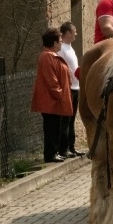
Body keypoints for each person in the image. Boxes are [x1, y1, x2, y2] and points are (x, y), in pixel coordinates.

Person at [31, 28, 73, 163]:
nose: (61, 43)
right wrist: (60, 94)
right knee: (51, 128)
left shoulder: (51, 55)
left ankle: (54, 152)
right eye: (60, 41)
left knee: (55, 127)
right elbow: (51, 80)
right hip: (51, 101)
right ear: (54, 43)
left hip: (55, 100)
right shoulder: (47, 56)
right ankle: (50, 154)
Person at [57, 22, 85, 158]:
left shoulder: (70, 47)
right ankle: (63, 149)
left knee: (72, 118)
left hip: (75, 86)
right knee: (65, 120)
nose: (76, 34)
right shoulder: (61, 48)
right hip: (67, 87)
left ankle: (71, 147)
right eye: (74, 31)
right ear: (67, 33)